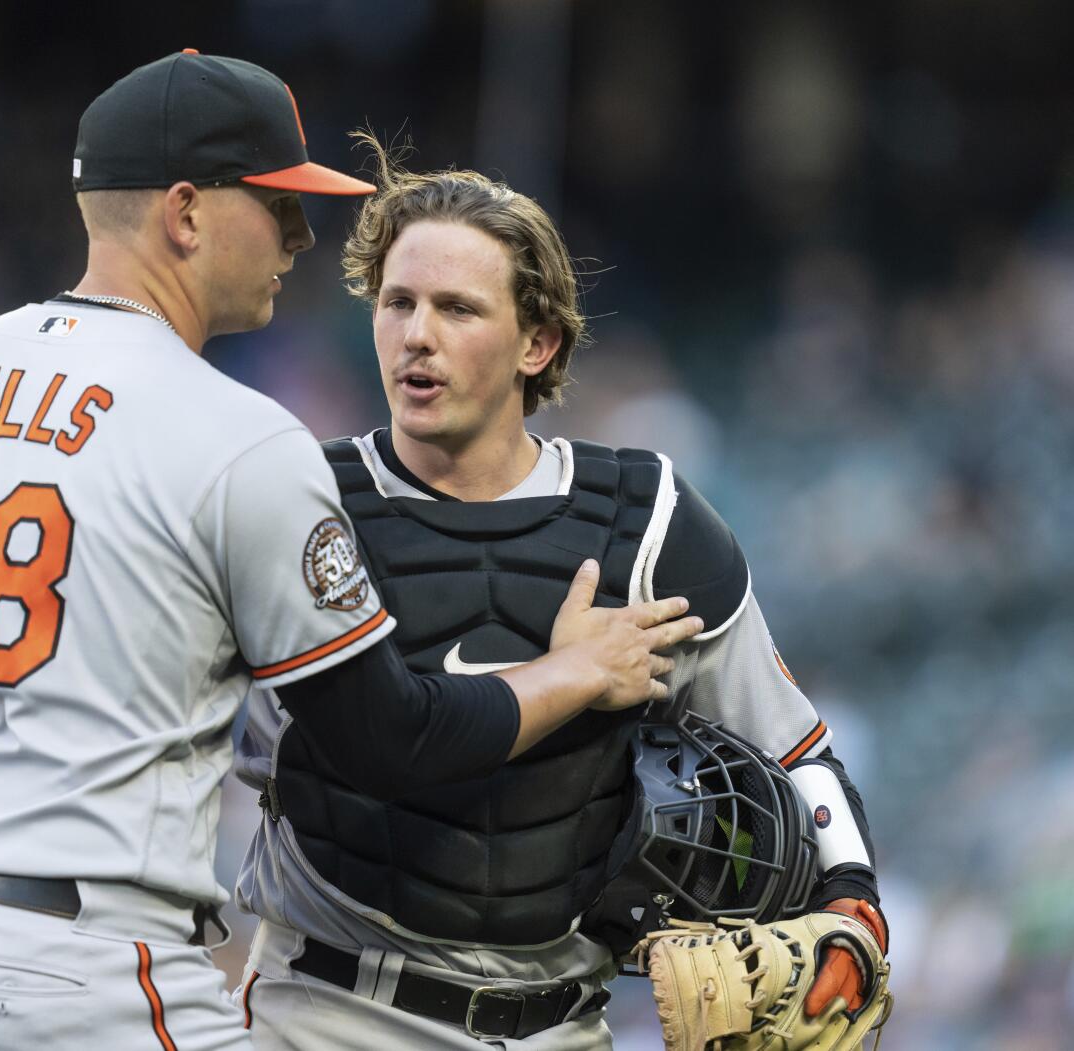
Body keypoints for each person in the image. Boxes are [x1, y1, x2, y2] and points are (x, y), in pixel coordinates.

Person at [0, 54, 701, 1051]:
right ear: (185, 213)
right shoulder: (236, 436)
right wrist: (572, 670)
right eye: (277, 203)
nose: (303, 237)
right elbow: (387, 740)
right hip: (66, 971)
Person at [223, 141, 888, 1050]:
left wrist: (854, 898)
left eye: (457, 308)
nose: (417, 333)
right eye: (397, 303)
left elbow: (797, 747)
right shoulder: (296, 502)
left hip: (562, 1024)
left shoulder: (647, 520)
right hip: (329, 1013)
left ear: (537, 342)